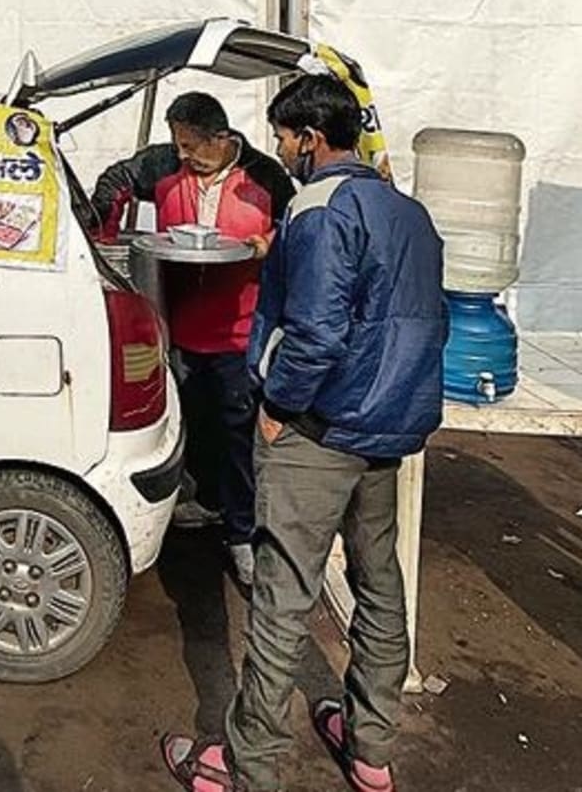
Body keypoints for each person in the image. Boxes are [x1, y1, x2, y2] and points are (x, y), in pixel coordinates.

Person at [162, 73, 447, 792]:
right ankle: (370, 747)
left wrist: (279, 405)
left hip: (322, 427)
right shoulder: (407, 208)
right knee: (378, 580)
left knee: (285, 591)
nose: (282, 151)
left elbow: (314, 334)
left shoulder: (318, 209)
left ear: (311, 140)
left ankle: (247, 761)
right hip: (390, 423)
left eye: (286, 138)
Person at [94, 92, 292, 584]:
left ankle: (243, 533)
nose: (181, 155)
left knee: (237, 436)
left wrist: (272, 243)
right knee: (185, 427)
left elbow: (297, 227)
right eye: (176, 144)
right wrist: (102, 229)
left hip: (239, 332)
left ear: (221, 139)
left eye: (190, 146)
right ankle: (202, 501)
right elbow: (116, 179)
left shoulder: (265, 177)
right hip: (178, 330)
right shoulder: (164, 164)